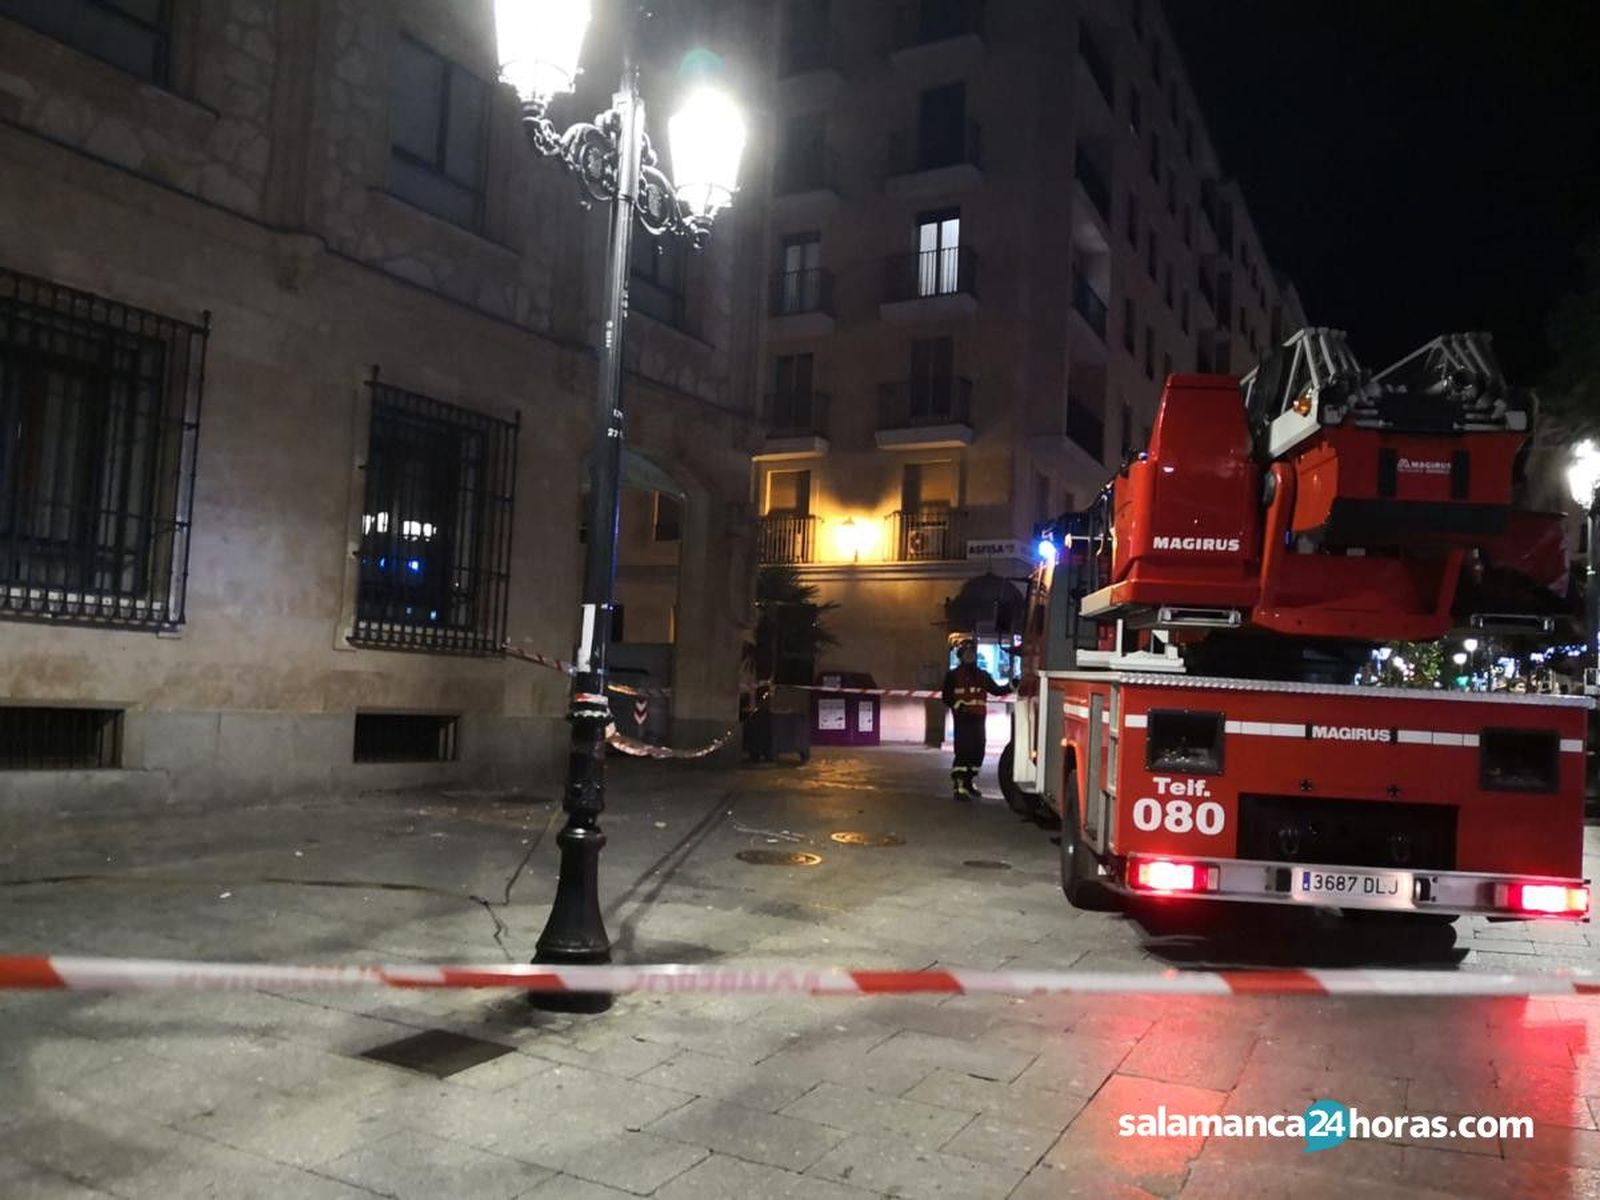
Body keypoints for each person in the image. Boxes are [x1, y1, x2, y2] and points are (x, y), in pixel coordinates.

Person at [941, 638, 1012, 801]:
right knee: (963, 751)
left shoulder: (982, 675)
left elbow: (996, 690)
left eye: (972, 653)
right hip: (963, 719)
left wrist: (1012, 685)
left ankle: (968, 782)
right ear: (960, 655)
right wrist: (958, 705)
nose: (970, 656)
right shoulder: (952, 675)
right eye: (966, 653)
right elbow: (946, 697)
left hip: (979, 719)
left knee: (978, 750)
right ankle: (959, 786)